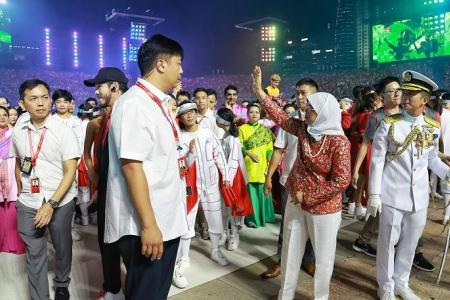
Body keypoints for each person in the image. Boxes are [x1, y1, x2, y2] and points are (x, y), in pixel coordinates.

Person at [252, 66, 351, 300]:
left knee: (323, 258)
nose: (305, 110)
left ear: (325, 112)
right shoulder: (304, 129)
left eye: (312, 109)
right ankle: (284, 296)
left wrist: (310, 196)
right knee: (289, 251)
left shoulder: (339, 143)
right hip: (296, 203)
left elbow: (341, 180)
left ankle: (320, 297)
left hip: (324, 209)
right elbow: (280, 116)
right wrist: (258, 89)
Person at [105, 34, 188, 300]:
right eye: (179, 63)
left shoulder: (158, 103)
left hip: (165, 219)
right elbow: (132, 167)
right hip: (146, 225)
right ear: (161, 64)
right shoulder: (133, 105)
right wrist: (149, 225)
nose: (182, 70)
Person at [367, 70, 450, 300]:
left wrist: (448, 174)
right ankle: (385, 286)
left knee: (410, 243)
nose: (404, 97)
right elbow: (377, 161)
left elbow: (432, 159)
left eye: (411, 94)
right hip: (392, 193)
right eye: (404, 92)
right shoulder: (389, 124)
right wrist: (374, 194)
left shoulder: (432, 126)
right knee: (387, 244)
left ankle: (401, 282)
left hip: (420, 197)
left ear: (424, 100)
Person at [11, 79, 79, 300]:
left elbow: (71, 171)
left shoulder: (63, 129)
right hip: (29, 199)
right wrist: (21, 189)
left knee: (62, 246)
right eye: (33, 99)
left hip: (60, 199)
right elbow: (20, 161)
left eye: (44, 97)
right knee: (34, 252)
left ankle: (62, 283)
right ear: (22, 103)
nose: (40, 103)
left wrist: (51, 205)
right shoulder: (19, 128)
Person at [172, 101, 230, 289]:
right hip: (190, 186)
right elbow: (181, 165)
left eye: (192, 112)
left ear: (197, 113)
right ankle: (184, 258)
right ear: (180, 117)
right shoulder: (180, 137)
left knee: (214, 217)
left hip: (211, 183)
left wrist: (226, 175)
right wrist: (190, 154)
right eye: (184, 113)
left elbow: (219, 154)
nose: (189, 116)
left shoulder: (207, 133)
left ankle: (215, 250)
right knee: (187, 221)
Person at [83, 66, 129, 300]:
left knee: (129, 244)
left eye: (98, 86)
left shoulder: (129, 114)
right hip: (107, 190)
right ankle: (113, 287)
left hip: (127, 192)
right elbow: (88, 154)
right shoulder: (102, 121)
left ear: (114, 86)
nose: (96, 92)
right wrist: (95, 178)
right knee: (106, 241)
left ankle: (132, 289)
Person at [261, 102, 315, 280]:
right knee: (287, 225)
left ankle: (308, 259)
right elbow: (278, 151)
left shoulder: (324, 121)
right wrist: (269, 178)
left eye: (304, 93)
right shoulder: (290, 123)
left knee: (311, 225)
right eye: (298, 92)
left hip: (314, 185)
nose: (300, 96)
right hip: (289, 182)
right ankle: (282, 260)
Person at [216, 107, 253, 250]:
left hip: (232, 176)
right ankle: (224, 232)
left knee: (232, 206)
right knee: (224, 206)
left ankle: (234, 235)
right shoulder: (225, 137)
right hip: (224, 174)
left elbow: (233, 160)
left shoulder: (233, 138)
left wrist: (228, 178)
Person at [239, 102, 275, 227]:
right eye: (251, 112)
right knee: (251, 193)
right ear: (247, 114)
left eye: (256, 112)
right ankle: (253, 220)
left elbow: (270, 148)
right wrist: (248, 153)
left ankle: (265, 217)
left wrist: (270, 160)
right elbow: (239, 146)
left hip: (262, 165)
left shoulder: (265, 130)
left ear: (260, 114)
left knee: (263, 189)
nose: (254, 114)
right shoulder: (242, 129)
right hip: (248, 165)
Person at [0, 106, 24, 254]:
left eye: (4, 114)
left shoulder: (15, 134)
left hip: (11, 171)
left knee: (12, 208)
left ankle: (12, 243)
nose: (2, 117)